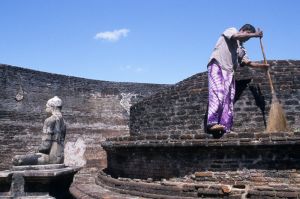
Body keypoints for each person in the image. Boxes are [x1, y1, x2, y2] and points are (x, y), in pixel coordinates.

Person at [206, 24, 269, 135]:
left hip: (229, 72)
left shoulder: (241, 48)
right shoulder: (232, 30)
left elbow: (246, 62)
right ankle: (212, 123)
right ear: (244, 30)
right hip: (218, 65)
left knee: (228, 100)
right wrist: (255, 35)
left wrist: (261, 66)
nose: (247, 39)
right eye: (248, 36)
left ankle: (225, 127)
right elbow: (236, 36)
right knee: (218, 93)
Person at [13, 96, 66, 165]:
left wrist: (36, 152)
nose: (46, 109)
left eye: (47, 107)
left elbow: (45, 146)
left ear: (53, 107)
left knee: (17, 159)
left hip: (51, 158)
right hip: (61, 158)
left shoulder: (49, 121)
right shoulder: (64, 122)